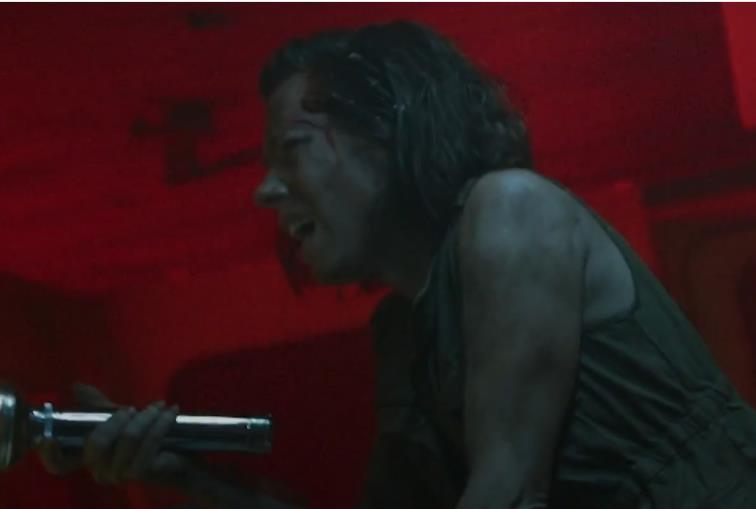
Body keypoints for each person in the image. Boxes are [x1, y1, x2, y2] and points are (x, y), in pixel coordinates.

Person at [38, 21, 756, 509]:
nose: (264, 191)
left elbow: (509, 492)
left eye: (294, 148)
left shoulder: (510, 209)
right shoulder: (404, 335)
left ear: (388, 131)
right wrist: (184, 476)